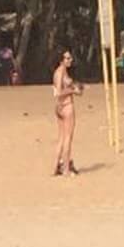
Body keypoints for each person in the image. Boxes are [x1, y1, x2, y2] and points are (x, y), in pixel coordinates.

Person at [52, 48, 84, 176]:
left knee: (61, 138)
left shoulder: (63, 72)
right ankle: (65, 168)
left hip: (61, 107)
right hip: (66, 106)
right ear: (61, 60)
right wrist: (73, 91)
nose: (70, 60)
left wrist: (77, 87)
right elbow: (59, 92)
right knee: (67, 139)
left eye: (70, 58)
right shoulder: (60, 73)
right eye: (67, 58)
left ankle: (56, 166)